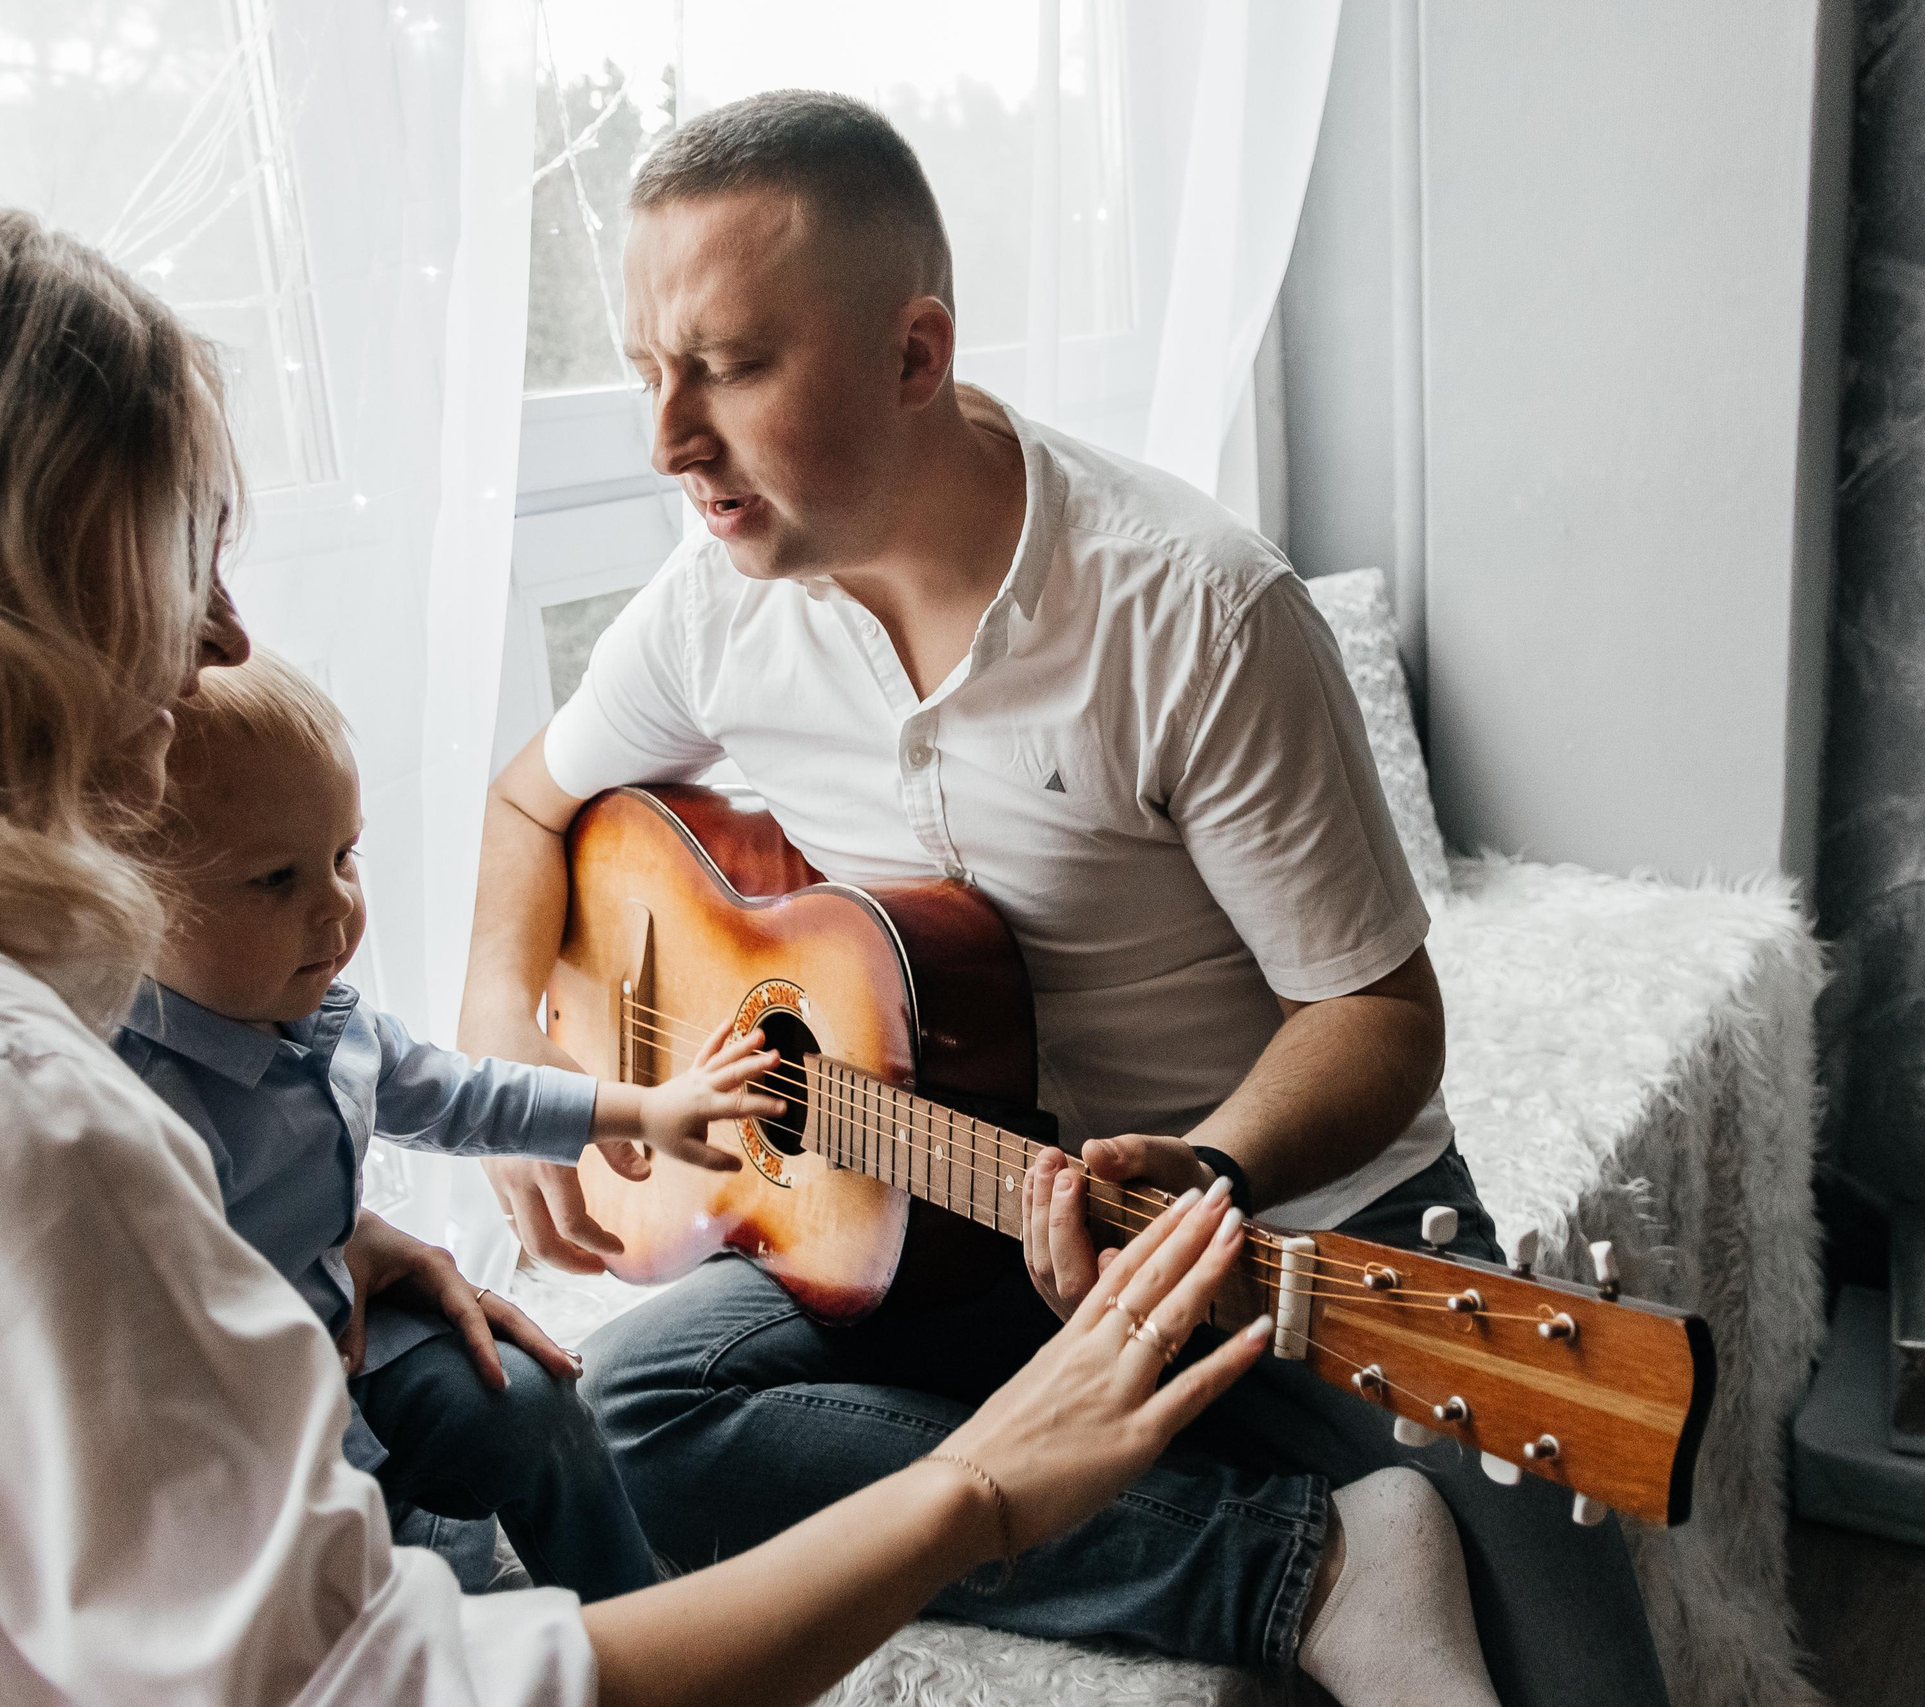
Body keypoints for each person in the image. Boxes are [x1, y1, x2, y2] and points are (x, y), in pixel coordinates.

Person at [0, 183, 1268, 1707]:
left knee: (590, 1394)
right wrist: (973, 1487)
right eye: (185, 546)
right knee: (648, 1397)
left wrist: (281, 1234)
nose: (226, 635)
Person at [458, 92, 1671, 1707]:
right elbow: (530, 800)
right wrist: (508, 1063)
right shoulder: (707, 609)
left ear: (915, 352)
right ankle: (1293, 1567)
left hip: (1278, 1225)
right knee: (634, 1410)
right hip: (927, 1215)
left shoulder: (1199, 608)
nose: (668, 437)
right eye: (645, 370)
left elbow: (1375, 1010)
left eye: (733, 366)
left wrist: (1215, 1167)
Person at [116, 647, 785, 1601]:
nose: (338, 907)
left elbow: (467, 1096)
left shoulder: (328, 1020)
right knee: (352, 1584)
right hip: (240, 1429)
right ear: (131, 897)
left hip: (351, 1340)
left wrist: (641, 1109)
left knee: (534, 1395)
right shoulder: (123, 1097)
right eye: (275, 879)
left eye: (344, 857)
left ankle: (640, 1621)